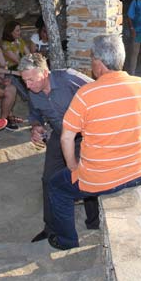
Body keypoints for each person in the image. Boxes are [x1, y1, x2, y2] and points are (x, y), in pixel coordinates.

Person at [46, 35, 141, 250]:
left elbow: (66, 137)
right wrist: (139, 146)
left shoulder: (86, 94)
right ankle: (93, 223)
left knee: (56, 186)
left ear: (99, 63)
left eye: (91, 59)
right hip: (140, 172)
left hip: (100, 178)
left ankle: (66, 241)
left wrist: (73, 167)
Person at [18, 54, 98, 243]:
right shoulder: (33, 91)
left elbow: (98, 91)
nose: (27, 85)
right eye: (24, 80)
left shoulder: (69, 78)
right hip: (58, 135)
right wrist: (36, 126)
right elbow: (34, 113)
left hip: (84, 137)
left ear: (45, 73)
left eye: (31, 79)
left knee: (87, 179)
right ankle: (50, 227)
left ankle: (95, 221)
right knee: (49, 180)